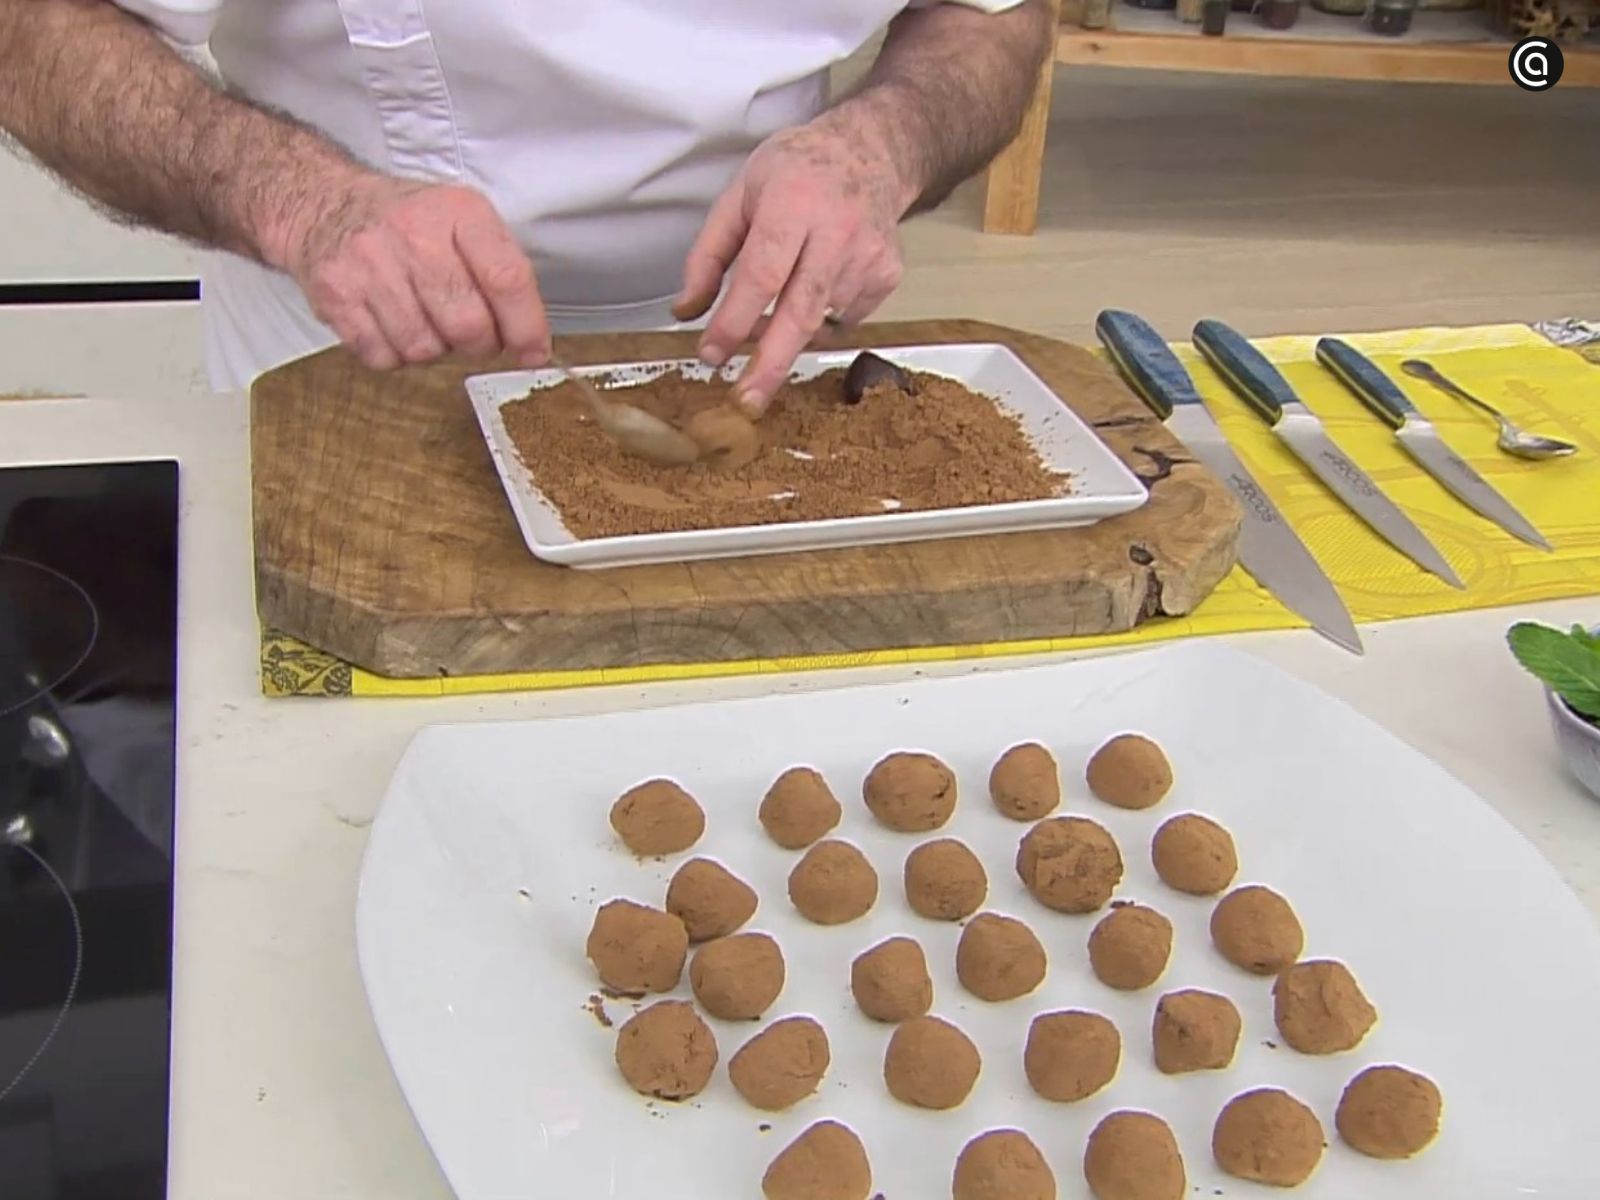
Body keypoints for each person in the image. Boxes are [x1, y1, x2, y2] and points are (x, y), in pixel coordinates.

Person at [0, 0, 1053, 411]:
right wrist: (301, 203)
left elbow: (991, 15)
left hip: (763, 341)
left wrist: (884, 145)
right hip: (346, 347)